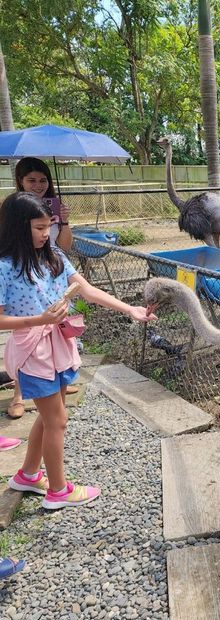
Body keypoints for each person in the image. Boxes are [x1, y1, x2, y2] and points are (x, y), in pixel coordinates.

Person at [0, 192, 156, 509]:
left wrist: (130, 309)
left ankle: (29, 474)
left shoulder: (53, 255)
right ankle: (58, 491)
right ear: (18, 227)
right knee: (57, 420)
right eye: (39, 228)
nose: (46, 234)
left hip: (59, 343)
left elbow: (87, 289)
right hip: (34, 350)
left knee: (49, 416)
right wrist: (40, 319)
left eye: (48, 226)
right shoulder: (4, 267)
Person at [7, 157, 76, 419]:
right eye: (31, 180)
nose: (38, 185)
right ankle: (19, 392)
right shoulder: (13, 211)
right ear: (20, 182)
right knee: (27, 339)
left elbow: (64, 247)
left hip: (53, 270)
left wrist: (65, 222)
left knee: (57, 332)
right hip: (26, 277)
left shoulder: (54, 209)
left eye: (43, 180)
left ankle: (54, 381)